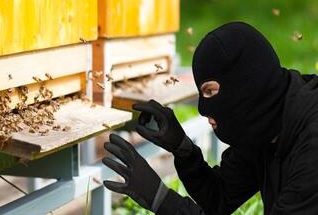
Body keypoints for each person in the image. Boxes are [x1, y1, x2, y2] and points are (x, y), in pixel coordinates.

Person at [102, 22, 318, 214]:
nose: (204, 109)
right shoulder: (266, 127)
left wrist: (161, 200)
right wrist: (183, 150)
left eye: (210, 91)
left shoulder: (312, 145)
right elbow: (219, 198)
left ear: (245, 83)